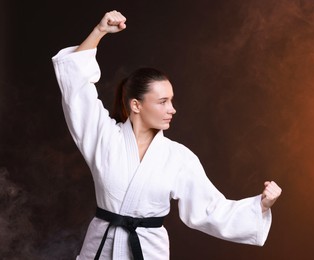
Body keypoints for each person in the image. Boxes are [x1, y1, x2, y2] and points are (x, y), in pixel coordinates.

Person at [52, 10, 282, 260]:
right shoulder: (104, 137)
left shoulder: (178, 157)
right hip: (100, 249)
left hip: (149, 252)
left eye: (171, 100)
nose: (172, 109)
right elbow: (75, 87)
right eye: (162, 101)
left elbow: (210, 209)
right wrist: (99, 31)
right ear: (136, 105)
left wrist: (260, 205)